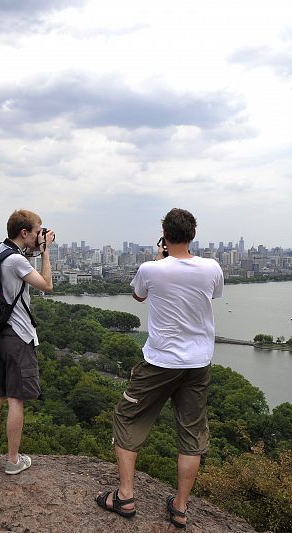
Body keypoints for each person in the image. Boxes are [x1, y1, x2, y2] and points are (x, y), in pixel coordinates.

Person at [96, 208, 223, 529]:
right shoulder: (212, 268)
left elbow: (138, 296)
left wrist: (158, 258)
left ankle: (125, 495)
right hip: (198, 363)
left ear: (164, 235)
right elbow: (212, 295)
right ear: (193, 235)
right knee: (191, 432)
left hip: (160, 361)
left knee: (127, 416)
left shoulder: (151, 269)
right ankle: (180, 506)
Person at [0, 209, 55, 475]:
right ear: (25, 233)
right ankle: (12, 460)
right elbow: (46, 285)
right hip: (17, 335)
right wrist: (46, 252)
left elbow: (19, 258)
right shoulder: (18, 261)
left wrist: (36, 245)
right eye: (37, 230)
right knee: (15, 399)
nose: (40, 234)